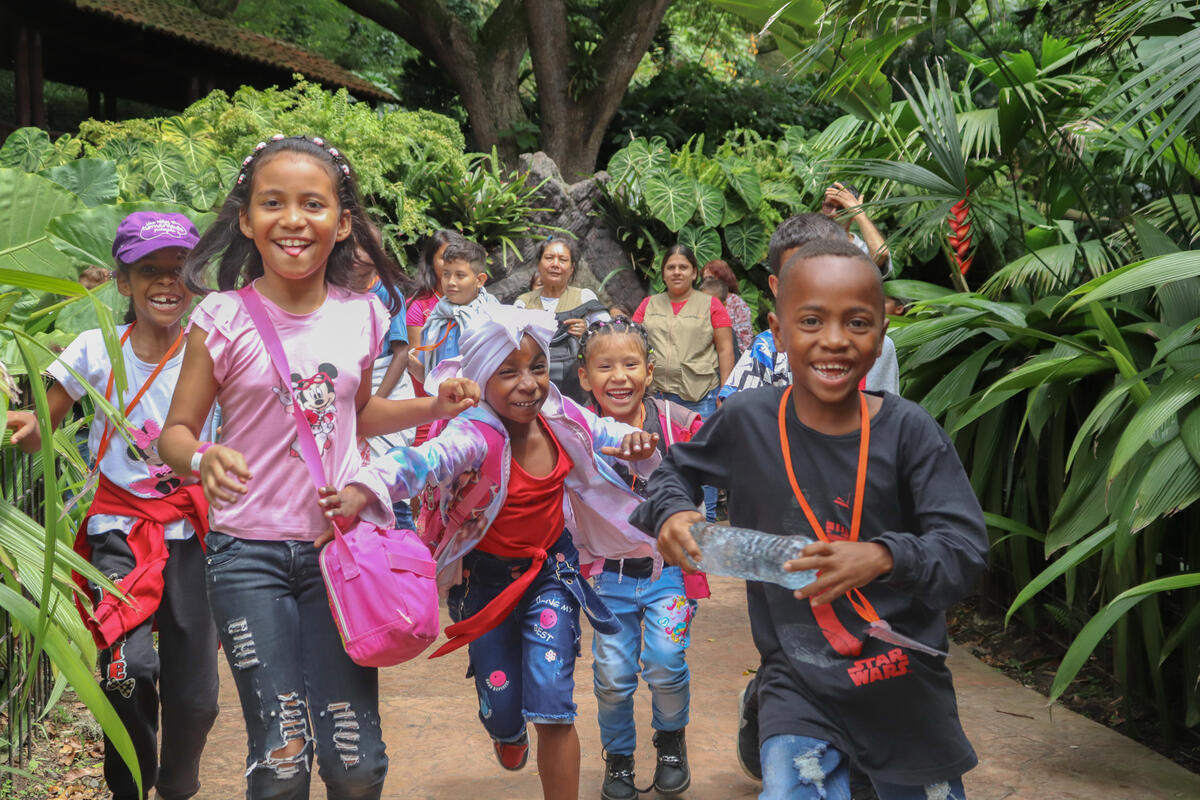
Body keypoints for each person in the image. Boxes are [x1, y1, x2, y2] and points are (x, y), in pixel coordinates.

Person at [157, 135, 480, 800]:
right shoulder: (220, 318)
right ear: (248, 221)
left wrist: (430, 403)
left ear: (342, 224)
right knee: (280, 759)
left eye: (313, 204)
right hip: (247, 557)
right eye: (273, 203)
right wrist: (203, 456)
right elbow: (176, 434)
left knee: (355, 765)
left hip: (342, 557)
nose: (294, 219)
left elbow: (357, 414)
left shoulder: (363, 314)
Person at [633, 238, 987, 800]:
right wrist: (674, 512)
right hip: (799, 683)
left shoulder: (911, 432)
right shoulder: (747, 420)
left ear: (881, 337)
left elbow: (965, 551)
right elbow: (671, 472)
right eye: (812, 320)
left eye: (858, 323)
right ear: (777, 329)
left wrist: (883, 555)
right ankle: (765, 721)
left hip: (902, 685)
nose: (835, 340)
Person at [327, 306, 661, 800]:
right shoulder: (474, 435)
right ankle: (505, 731)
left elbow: (606, 432)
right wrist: (365, 487)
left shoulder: (562, 416)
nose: (528, 384)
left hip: (552, 572)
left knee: (554, 704)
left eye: (538, 368)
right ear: (482, 380)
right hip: (485, 584)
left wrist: (633, 441)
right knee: (502, 705)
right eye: (509, 373)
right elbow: (422, 461)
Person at [6, 211, 218, 800]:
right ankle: (129, 788)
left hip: (194, 535)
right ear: (123, 282)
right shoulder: (95, 348)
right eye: (150, 270)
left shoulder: (214, 350)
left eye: (180, 270)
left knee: (197, 700)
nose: (167, 282)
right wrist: (20, 425)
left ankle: (177, 783)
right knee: (130, 673)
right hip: (116, 536)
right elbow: (42, 422)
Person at [576, 318, 710, 800]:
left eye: (630, 364)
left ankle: (671, 741)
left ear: (649, 372)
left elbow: (719, 452)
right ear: (585, 377)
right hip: (607, 580)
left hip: (668, 574)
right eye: (604, 366)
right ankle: (619, 757)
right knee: (612, 676)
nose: (619, 376)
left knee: (666, 660)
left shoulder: (676, 423)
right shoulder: (575, 431)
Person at [720, 214, 900, 404]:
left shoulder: (872, 345)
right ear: (777, 286)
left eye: (826, 271)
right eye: (797, 276)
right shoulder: (766, 348)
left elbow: (885, 417)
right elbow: (732, 410)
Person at [632, 244, 735, 521]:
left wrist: (726, 392)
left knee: (703, 464)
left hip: (700, 396)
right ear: (663, 273)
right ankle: (666, 523)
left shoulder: (711, 305)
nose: (677, 272)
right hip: (656, 398)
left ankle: (707, 525)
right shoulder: (648, 305)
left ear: (694, 273)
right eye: (671, 267)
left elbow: (725, 349)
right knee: (659, 462)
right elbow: (632, 345)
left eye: (683, 267)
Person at [514, 237, 611, 404]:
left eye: (563, 260)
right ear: (539, 265)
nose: (555, 264)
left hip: (577, 388)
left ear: (572, 268)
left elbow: (611, 338)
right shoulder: (523, 303)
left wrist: (588, 333)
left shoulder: (584, 298)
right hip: (532, 385)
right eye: (549, 258)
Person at [406, 230, 462, 446]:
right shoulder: (419, 305)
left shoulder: (476, 303)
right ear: (430, 262)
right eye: (443, 257)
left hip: (469, 401)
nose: (450, 265)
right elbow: (415, 360)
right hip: (429, 401)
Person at [415, 237, 499, 381]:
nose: (451, 282)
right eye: (446, 274)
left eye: (460, 275)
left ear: (480, 280)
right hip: (441, 400)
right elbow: (428, 377)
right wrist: (408, 362)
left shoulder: (493, 319)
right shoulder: (437, 318)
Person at [821, 182, 892, 275]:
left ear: (853, 216)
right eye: (829, 206)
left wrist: (858, 212)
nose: (833, 213)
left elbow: (881, 254)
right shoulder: (807, 239)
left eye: (841, 209)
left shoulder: (861, 250)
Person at [701, 260, 754, 353]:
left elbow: (745, 337)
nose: (708, 282)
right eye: (705, 279)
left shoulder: (736, 302)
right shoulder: (701, 300)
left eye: (711, 278)